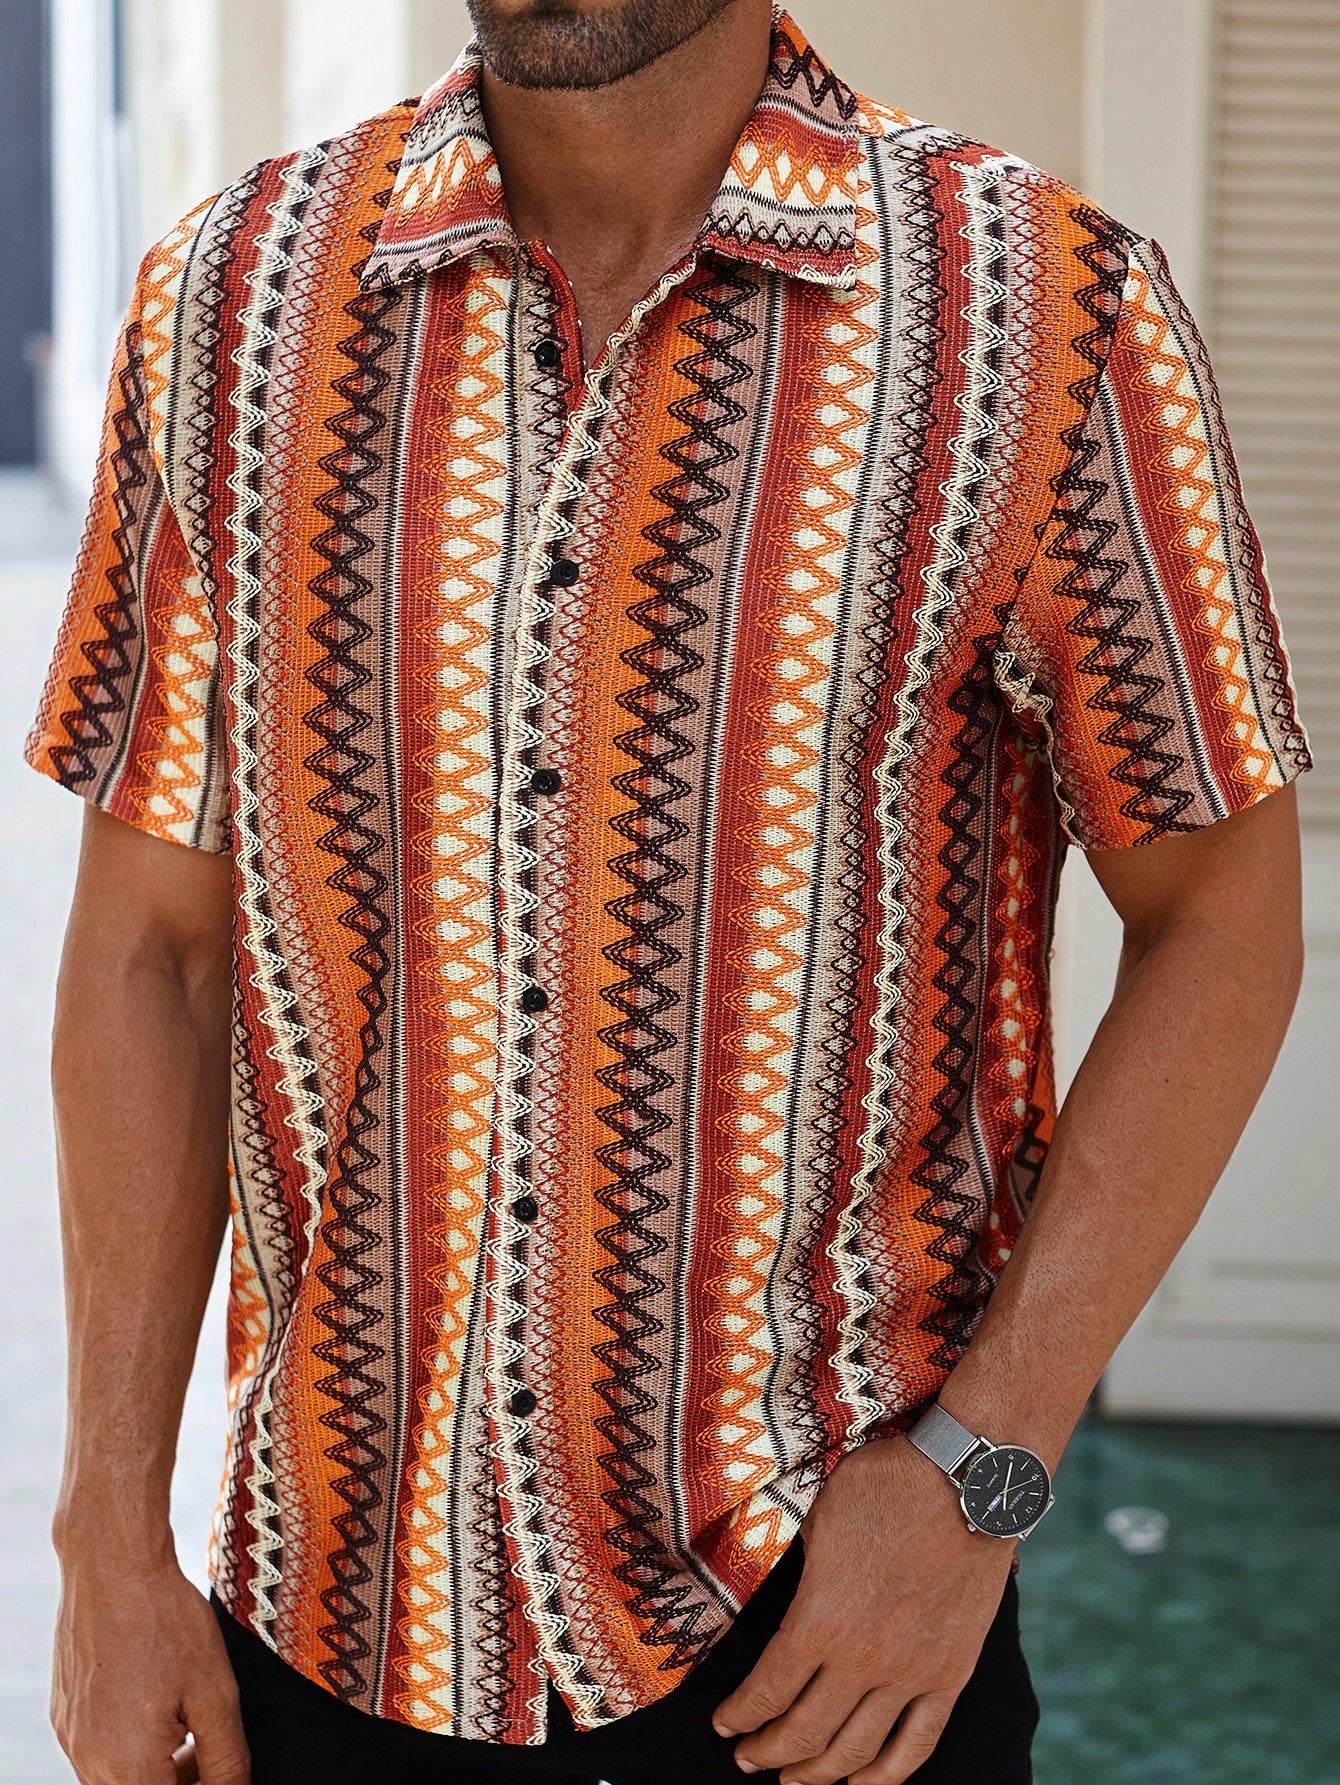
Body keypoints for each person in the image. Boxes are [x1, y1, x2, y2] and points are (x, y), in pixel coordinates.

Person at [28, 1, 1312, 1781]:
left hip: (831, 1635)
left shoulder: (1038, 310)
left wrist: (984, 1470)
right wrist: (105, 1529)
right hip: (334, 1623)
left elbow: (1221, 915)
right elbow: (152, 956)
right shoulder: (233, 301)